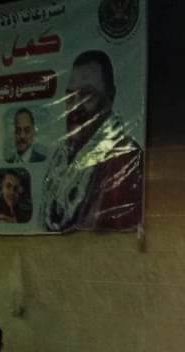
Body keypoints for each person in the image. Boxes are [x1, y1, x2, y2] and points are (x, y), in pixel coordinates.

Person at [41, 50, 142, 231]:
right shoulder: (61, 160)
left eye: (87, 96)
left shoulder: (123, 158)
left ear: (110, 97)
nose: (75, 107)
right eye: (70, 97)